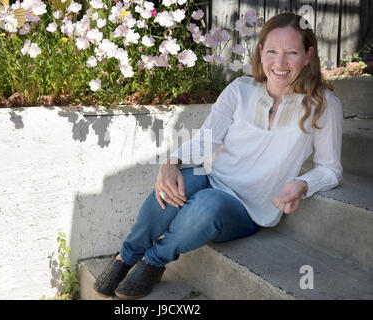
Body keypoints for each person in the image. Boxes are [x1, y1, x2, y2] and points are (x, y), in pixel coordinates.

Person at [93, 12, 343, 300]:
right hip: (213, 176)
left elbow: (330, 168)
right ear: (261, 51)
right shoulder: (240, 90)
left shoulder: (324, 105)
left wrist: (301, 184)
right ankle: (126, 256)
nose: (280, 63)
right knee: (174, 186)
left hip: (249, 208)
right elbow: (205, 141)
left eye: (292, 53)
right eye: (272, 51)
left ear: (308, 55)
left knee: (206, 205)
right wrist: (171, 162)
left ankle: (154, 259)